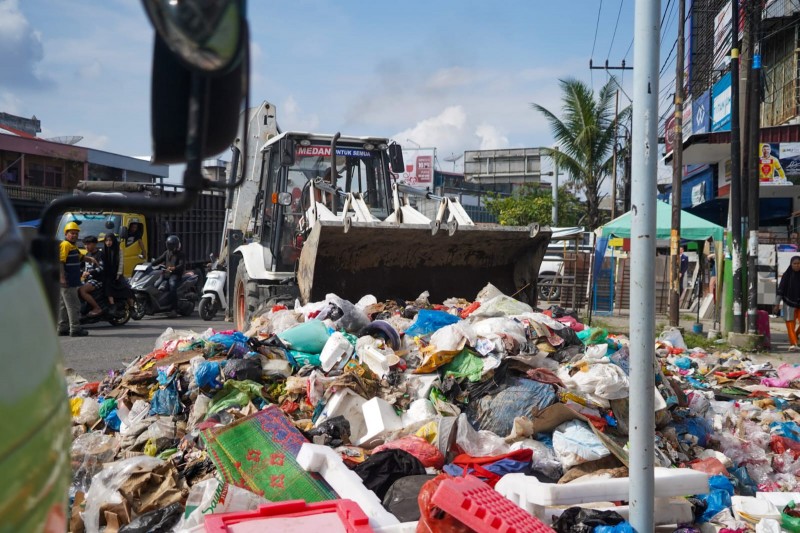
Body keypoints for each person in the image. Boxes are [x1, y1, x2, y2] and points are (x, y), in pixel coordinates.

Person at [58, 222, 97, 336]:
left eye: (76, 233)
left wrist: (91, 260)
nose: (74, 235)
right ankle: (75, 328)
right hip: (68, 281)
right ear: (66, 234)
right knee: (74, 305)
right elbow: (60, 261)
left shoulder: (72, 246)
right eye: (72, 233)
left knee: (63, 306)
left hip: (70, 281)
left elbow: (81, 257)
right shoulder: (65, 245)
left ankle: (62, 327)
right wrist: (62, 278)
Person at [152, 234, 185, 318]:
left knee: (172, 287)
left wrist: (173, 268)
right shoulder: (167, 253)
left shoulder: (180, 254)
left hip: (175, 275)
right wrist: (149, 264)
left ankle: (174, 309)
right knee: (155, 285)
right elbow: (159, 260)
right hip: (166, 274)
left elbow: (181, 265)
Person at [100, 233, 131, 309]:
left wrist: (119, 274)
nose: (108, 242)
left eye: (110, 240)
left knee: (127, 290)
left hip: (117, 274)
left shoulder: (118, 250)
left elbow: (121, 263)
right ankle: (112, 305)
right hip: (107, 275)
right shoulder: (102, 250)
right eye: (106, 240)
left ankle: (132, 307)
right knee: (107, 288)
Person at [777, 256, 800, 351]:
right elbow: (781, 289)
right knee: (790, 324)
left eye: (798, 263)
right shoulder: (787, 275)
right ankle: (794, 343)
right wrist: (776, 303)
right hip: (788, 302)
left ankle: (795, 335)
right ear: (791, 264)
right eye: (794, 264)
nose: (797, 265)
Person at [77, 235, 104, 317]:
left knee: (82, 290)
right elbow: (81, 267)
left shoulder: (100, 254)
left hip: (98, 279)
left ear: (95, 244)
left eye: (88, 244)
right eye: (85, 244)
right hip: (87, 280)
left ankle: (97, 308)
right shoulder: (87, 254)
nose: (86, 246)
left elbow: (102, 268)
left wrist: (90, 272)